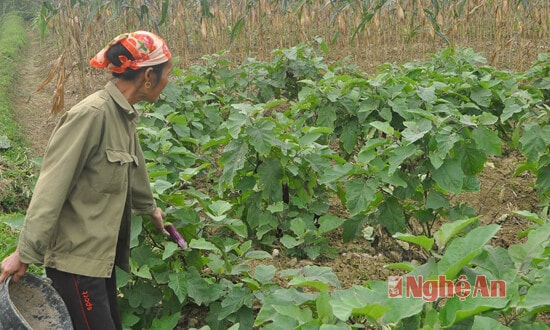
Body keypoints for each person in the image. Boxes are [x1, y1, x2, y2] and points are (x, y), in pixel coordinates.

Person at [0, 31, 173, 330]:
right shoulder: (91, 115)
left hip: (98, 259)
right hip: (76, 262)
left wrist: (151, 210)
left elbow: (134, 166)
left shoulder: (122, 115)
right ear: (148, 76)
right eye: (167, 74)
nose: (169, 81)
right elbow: (51, 189)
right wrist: (25, 253)